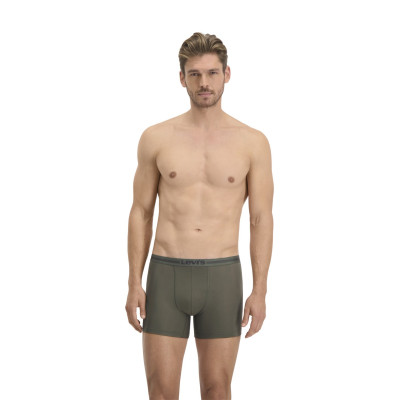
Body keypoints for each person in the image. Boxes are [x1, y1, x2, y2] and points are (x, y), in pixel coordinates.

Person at [125, 32, 274, 400]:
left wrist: (260, 289)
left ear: (227, 74)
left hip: (223, 276)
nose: (204, 82)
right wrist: (134, 282)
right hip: (166, 274)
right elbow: (141, 212)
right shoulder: (156, 137)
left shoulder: (252, 142)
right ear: (182, 78)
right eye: (194, 74)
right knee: (161, 393)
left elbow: (260, 218)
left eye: (211, 73)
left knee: (217, 390)